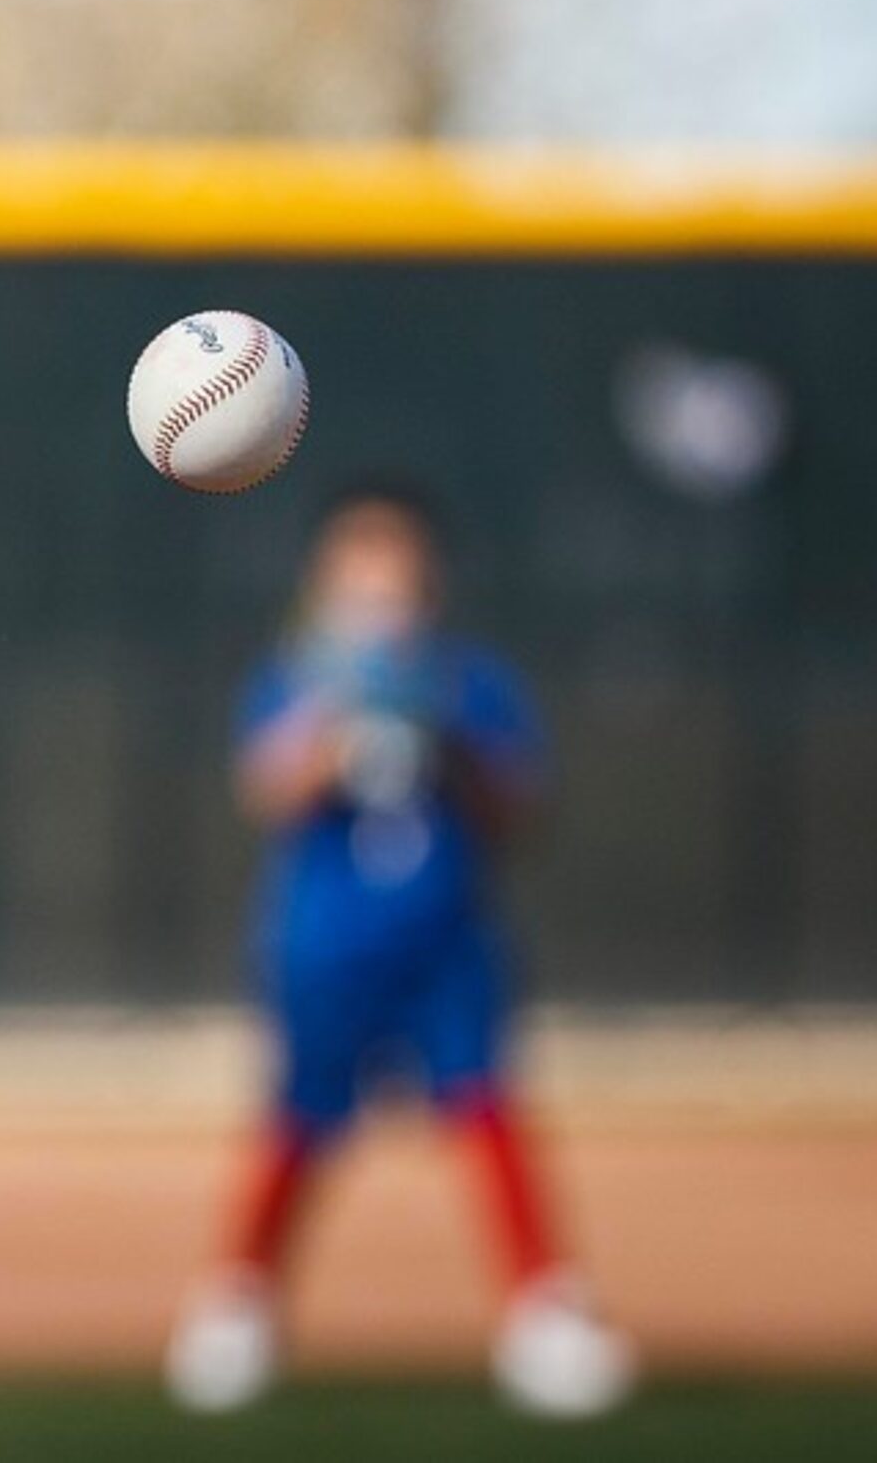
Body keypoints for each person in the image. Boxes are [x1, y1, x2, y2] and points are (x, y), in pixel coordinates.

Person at [163, 484, 633, 1419]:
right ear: (324, 583)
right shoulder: (294, 682)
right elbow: (268, 791)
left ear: (431, 586)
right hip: (325, 949)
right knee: (300, 1122)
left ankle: (543, 1313)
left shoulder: (470, 683)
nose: (382, 594)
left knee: (487, 1111)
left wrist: (442, 734)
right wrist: (340, 721)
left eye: (400, 574)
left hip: (447, 941)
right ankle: (240, 1304)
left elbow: (519, 809)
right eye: (360, 573)